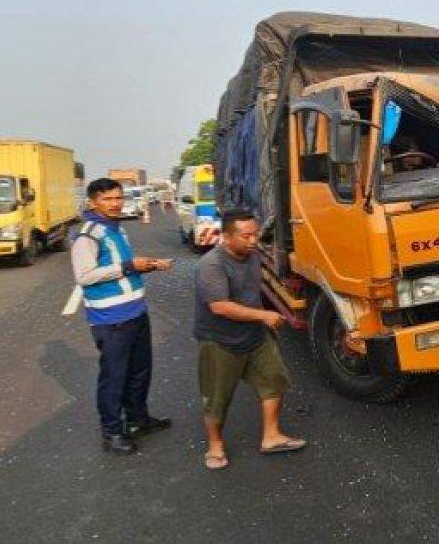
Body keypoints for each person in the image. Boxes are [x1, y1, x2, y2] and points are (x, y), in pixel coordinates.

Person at [194, 209, 305, 470]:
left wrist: (265, 316)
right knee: (217, 398)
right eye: (246, 236)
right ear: (226, 236)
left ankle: (271, 436)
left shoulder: (252, 255)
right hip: (220, 341)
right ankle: (215, 446)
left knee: (274, 381)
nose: (253, 241)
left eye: (255, 234)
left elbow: (254, 290)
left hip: (255, 335)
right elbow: (220, 307)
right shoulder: (211, 265)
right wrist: (264, 316)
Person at [71, 178, 173, 455]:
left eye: (118, 198)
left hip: (136, 312)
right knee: (115, 378)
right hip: (111, 319)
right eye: (107, 199)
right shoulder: (88, 235)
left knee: (140, 371)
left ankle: (138, 420)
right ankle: (113, 432)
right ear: (93, 202)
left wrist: (148, 266)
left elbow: (122, 267)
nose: (115, 204)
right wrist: (128, 266)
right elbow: (85, 276)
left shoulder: (117, 229)